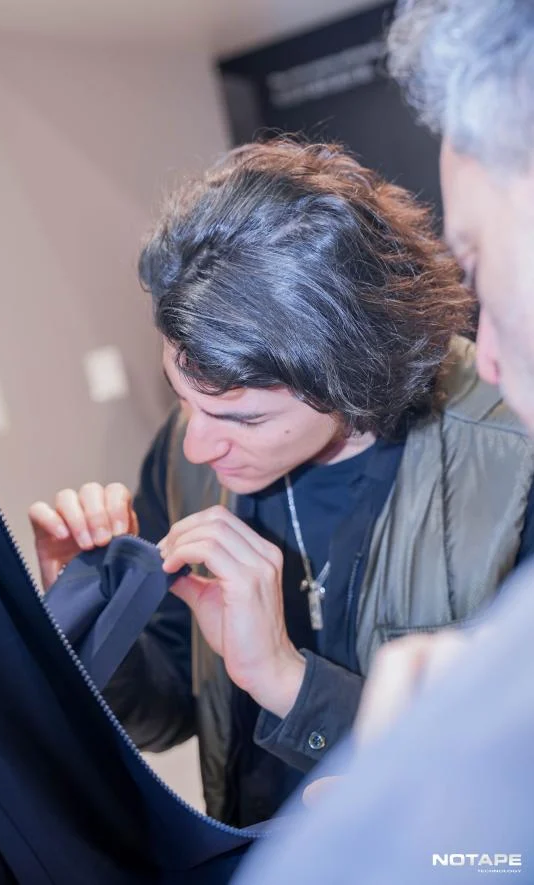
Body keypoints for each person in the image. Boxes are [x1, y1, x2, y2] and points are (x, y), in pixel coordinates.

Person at [29, 138, 534, 828]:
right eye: (181, 398)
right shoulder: (184, 453)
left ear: (354, 380)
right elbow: (169, 709)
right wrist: (88, 614)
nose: (197, 445)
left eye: (244, 418)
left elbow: (507, 788)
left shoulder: (511, 463)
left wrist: (286, 681)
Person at [229, 0, 534, 881]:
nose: (491, 358)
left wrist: (420, 808)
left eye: (480, 264)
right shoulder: (187, 460)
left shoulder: (502, 460)